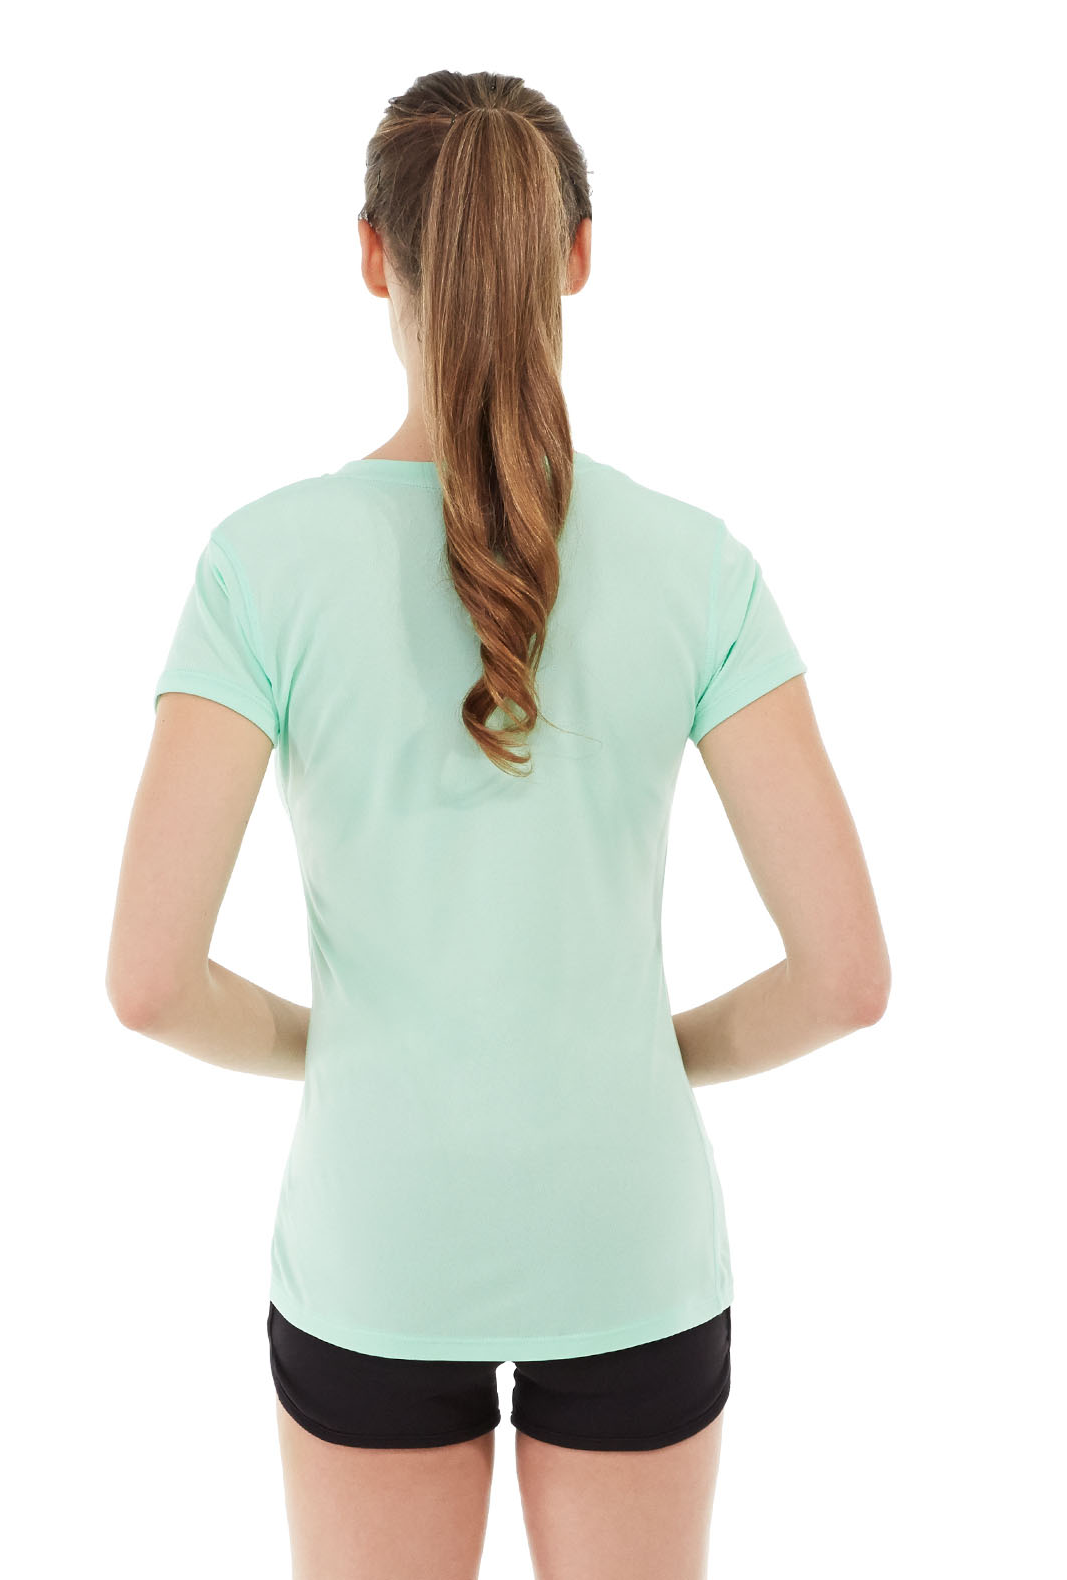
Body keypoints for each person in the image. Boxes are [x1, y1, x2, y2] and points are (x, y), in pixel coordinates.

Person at [107, 67, 891, 1580]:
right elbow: (846, 978)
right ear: (578, 255)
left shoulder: (261, 565)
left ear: (371, 255)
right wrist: (636, 1054)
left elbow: (147, 982)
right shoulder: (697, 566)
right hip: (628, 1232)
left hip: (376, 1237)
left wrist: (344, 1046)